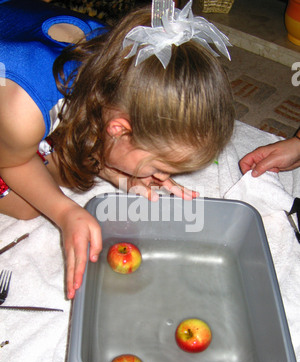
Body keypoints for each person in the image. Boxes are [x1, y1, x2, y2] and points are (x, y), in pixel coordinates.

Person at [0, 0, 235, 299]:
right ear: (120, 129)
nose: (161, 176)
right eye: (158, 167)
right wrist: (64, 211)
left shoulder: (131, 61)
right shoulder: (23, 112)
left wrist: (119, 172)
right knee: (29, 204)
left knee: (64, 163)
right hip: (9, 107)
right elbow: (13, 164)